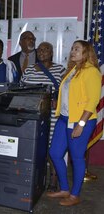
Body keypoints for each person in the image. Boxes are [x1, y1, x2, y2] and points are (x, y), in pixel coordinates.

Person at [46, 40, 101, 206]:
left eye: (77, 49)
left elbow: (92, 101)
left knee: (76, 157)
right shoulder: (74, 70)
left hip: (80, 120)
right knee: (55, 153)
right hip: (64, 118)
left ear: (86, 52)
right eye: (72, 48)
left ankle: (75, 194)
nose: (72, 51)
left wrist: (81, 124)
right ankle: (64, 189)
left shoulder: (91, 71)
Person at [20, 42, 66, 192]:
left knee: (52, 148)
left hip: (52, 115)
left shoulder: (60, 69)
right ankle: (33, 178)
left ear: (52, 52)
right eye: (39, 50)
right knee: (33, 146)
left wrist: (58, 99)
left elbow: (67, 90)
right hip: (33, 114)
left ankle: (53, 179)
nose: (42, 52)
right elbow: (21, 89)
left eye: (46, 49)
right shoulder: (29, 70)